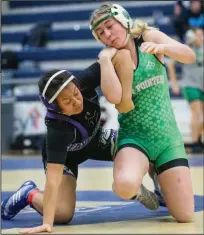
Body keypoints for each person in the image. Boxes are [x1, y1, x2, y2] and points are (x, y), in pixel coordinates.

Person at [2, 51, 160, 234]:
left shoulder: (84, 80)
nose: (76, 102)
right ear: (56, 108)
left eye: (76, 94)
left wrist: (107, 55)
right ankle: (29, 194)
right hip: (67, 159)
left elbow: (121, 54)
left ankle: (160, 188)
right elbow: (53, 181)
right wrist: (47, 223)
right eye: (67, 102)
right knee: (62, 214)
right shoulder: (57, 129)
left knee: (144, 143)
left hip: (96, 139)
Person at [89, 3, 196, 223]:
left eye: (110, 26)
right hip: (135, 139)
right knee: (123, 185)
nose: (107, 35)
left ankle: (159, 178)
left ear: (123, 19)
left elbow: (189, 55)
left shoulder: (148, 35)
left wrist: (162, 48)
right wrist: (106, 61)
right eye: (101, 33)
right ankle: (141, 188)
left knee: (184, 216)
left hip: (168, 138)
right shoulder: (111, 59)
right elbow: (116, 99)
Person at [167, 27, 204, 153]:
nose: (201, 38)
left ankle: (198, 139)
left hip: (202, 85)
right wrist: (174, 83)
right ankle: (194, 143)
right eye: (199, 35)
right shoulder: (186, 49)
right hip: (190, 85)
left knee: (201, 116)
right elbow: (170, 64)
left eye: (202, 35)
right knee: (197, 113)